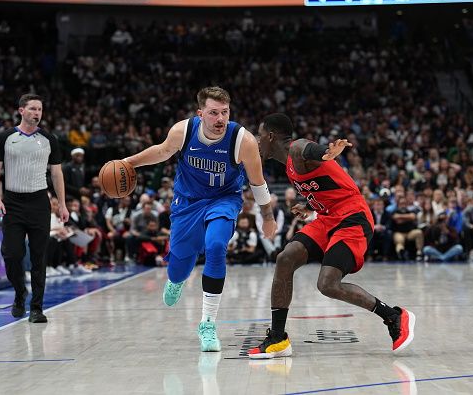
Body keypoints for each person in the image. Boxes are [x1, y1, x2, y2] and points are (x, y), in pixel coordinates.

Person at [249, 113, 414, 359]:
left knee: (327, 284)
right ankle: (278, 338)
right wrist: (309, 206)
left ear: (271, 136)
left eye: (259, 136)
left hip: (352, 217)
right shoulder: (289, 166)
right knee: (286, 257)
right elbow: (325, 185)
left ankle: (393, 316)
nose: (256, 141)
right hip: (327, 217)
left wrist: (326, 152)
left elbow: (309, 149)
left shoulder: (296, 150)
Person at [123, 86, 276, 352]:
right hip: (188, 202)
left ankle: (207, 324)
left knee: (216, 246)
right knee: (179, 266)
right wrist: (127, 162)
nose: (220, 119)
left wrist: (267, 216)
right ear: (200, 113)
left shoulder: (243, 140)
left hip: (224, 200)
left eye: (225, 113)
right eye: (214, 113)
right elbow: (161, 152)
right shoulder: (183, 131)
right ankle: (176, 279)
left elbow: (257, 182)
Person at [0, 93, 69, 323]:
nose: (37, 113)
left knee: (38, 257)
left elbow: (56, 173)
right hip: (12, 202)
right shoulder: (5, 137)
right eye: (32, 109)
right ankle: (19, 293)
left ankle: (36, 308)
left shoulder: (49, 139)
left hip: (38, 203)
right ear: (21, 110)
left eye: (40, 110)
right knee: (12, 254)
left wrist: (62, 204)